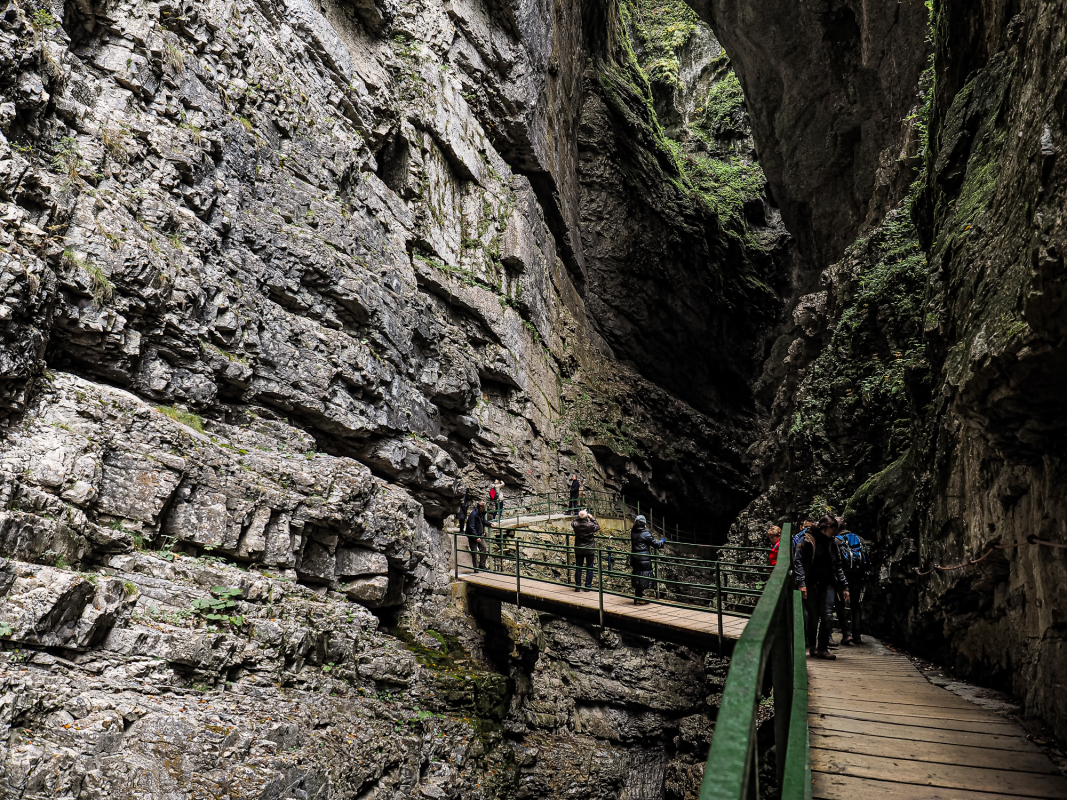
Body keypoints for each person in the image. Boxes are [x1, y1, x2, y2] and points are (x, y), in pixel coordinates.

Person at [793, 515, 849, 659]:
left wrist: (844, 586)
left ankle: (823, 648)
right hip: (811, 583)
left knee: (827, 616)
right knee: (813, 616)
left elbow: (838, 565)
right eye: (834, 529)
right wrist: (801, 583)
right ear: (826, 527)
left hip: (828, 583)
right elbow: (798, 561)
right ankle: (812, 646)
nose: (836, 531)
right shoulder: (807, 539)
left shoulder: (833, 542)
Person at [835, 518, 869, 645]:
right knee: (855, 605)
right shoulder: (860, 539)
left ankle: (846, 634)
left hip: (842, 576)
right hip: (857, 576)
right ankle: (857, 635)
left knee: (840, 605)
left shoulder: (836, 540)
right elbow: (866, 558)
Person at [630, 514, 664, 605]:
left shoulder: (633, 531)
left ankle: (637, 597)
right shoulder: (645, 533)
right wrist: (662, 541)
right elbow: (655, 544)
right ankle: (639, 599)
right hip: (643, 558)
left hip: (635, 558)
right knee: (643, 577)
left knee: (638, 576)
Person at [571, 509, 600, 592]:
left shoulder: (576, 524)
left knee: (578, 567)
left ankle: (578, 586)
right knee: (590, 568)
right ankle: (587, 586)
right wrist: (591, 517)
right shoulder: (590, 525)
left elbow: (573, 522)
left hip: (579, 549)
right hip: (589, 549)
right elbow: (597, 526)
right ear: (586, 516)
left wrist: (579, 515)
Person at [465, 501, 488, 570]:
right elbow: (471, 527)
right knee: (474, 551)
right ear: (481, 507)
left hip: (480, 534)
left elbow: (483, 521)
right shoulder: (473, 515)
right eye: (484, 507)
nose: (485, 509)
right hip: (473, 536)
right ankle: (475, 567)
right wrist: (476, 537)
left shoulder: (481, 513)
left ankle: (482, 565)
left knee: (483, 548)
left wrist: (490, 524)